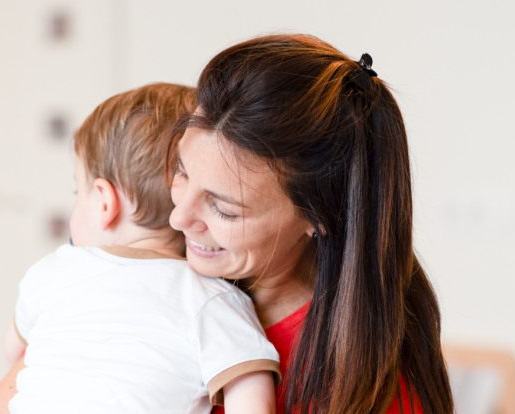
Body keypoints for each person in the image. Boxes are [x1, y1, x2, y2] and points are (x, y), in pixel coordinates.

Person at [168, 34, 454, 413]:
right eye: (181, 172)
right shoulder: (162, 282)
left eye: (224, 210)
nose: (178, 218)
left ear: (317, 217)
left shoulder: (360, 389)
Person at [0, 83, 280, 414]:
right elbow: (250, 395)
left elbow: (15, 354)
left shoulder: (51, 272)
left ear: (105, 202)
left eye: (79, 191)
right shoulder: (212, 299)